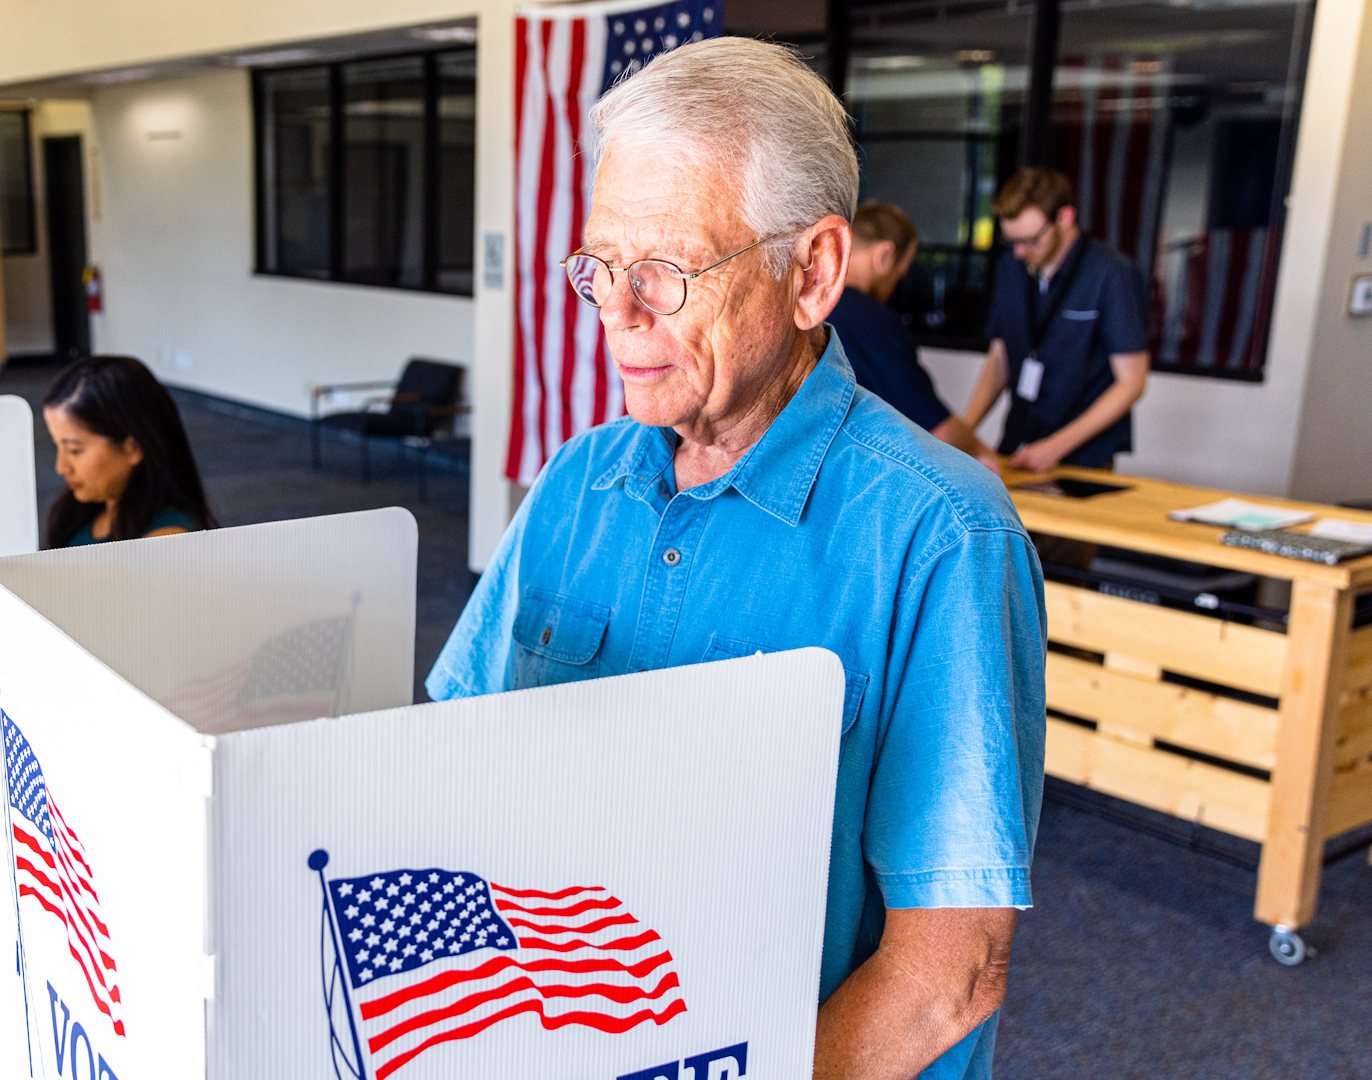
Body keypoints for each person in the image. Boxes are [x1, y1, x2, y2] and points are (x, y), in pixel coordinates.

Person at [431, 38, 1044, 1080]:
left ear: (811, 274)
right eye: (599, 267)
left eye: (665, 271)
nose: (617, 313)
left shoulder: (943, 533)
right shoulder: (576, 483)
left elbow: (951, 971)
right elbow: (451, 764)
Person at [964, 168, 1149, 472]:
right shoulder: (1010, 266)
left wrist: (1055, 447)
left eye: (1030, 240)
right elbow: (1000, 357)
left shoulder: (1111, 274)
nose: (1020, 252)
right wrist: (963, 432)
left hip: (1082, 457)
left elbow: (1131, 383)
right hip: (1018, 442)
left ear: (1065, 218)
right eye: (1012, 241)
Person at [827, 201, 999, 470]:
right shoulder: (871, 321)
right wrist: (983, 454)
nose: (893, 287)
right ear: (883, 256)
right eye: (899, 275)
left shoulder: (811, 307)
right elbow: (937, 429)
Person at [40, 355, 218, 548]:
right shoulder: (83, 511)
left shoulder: (164, 541)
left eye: (74, 450)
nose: (61, 467)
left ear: (133, 448)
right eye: (57, 445)